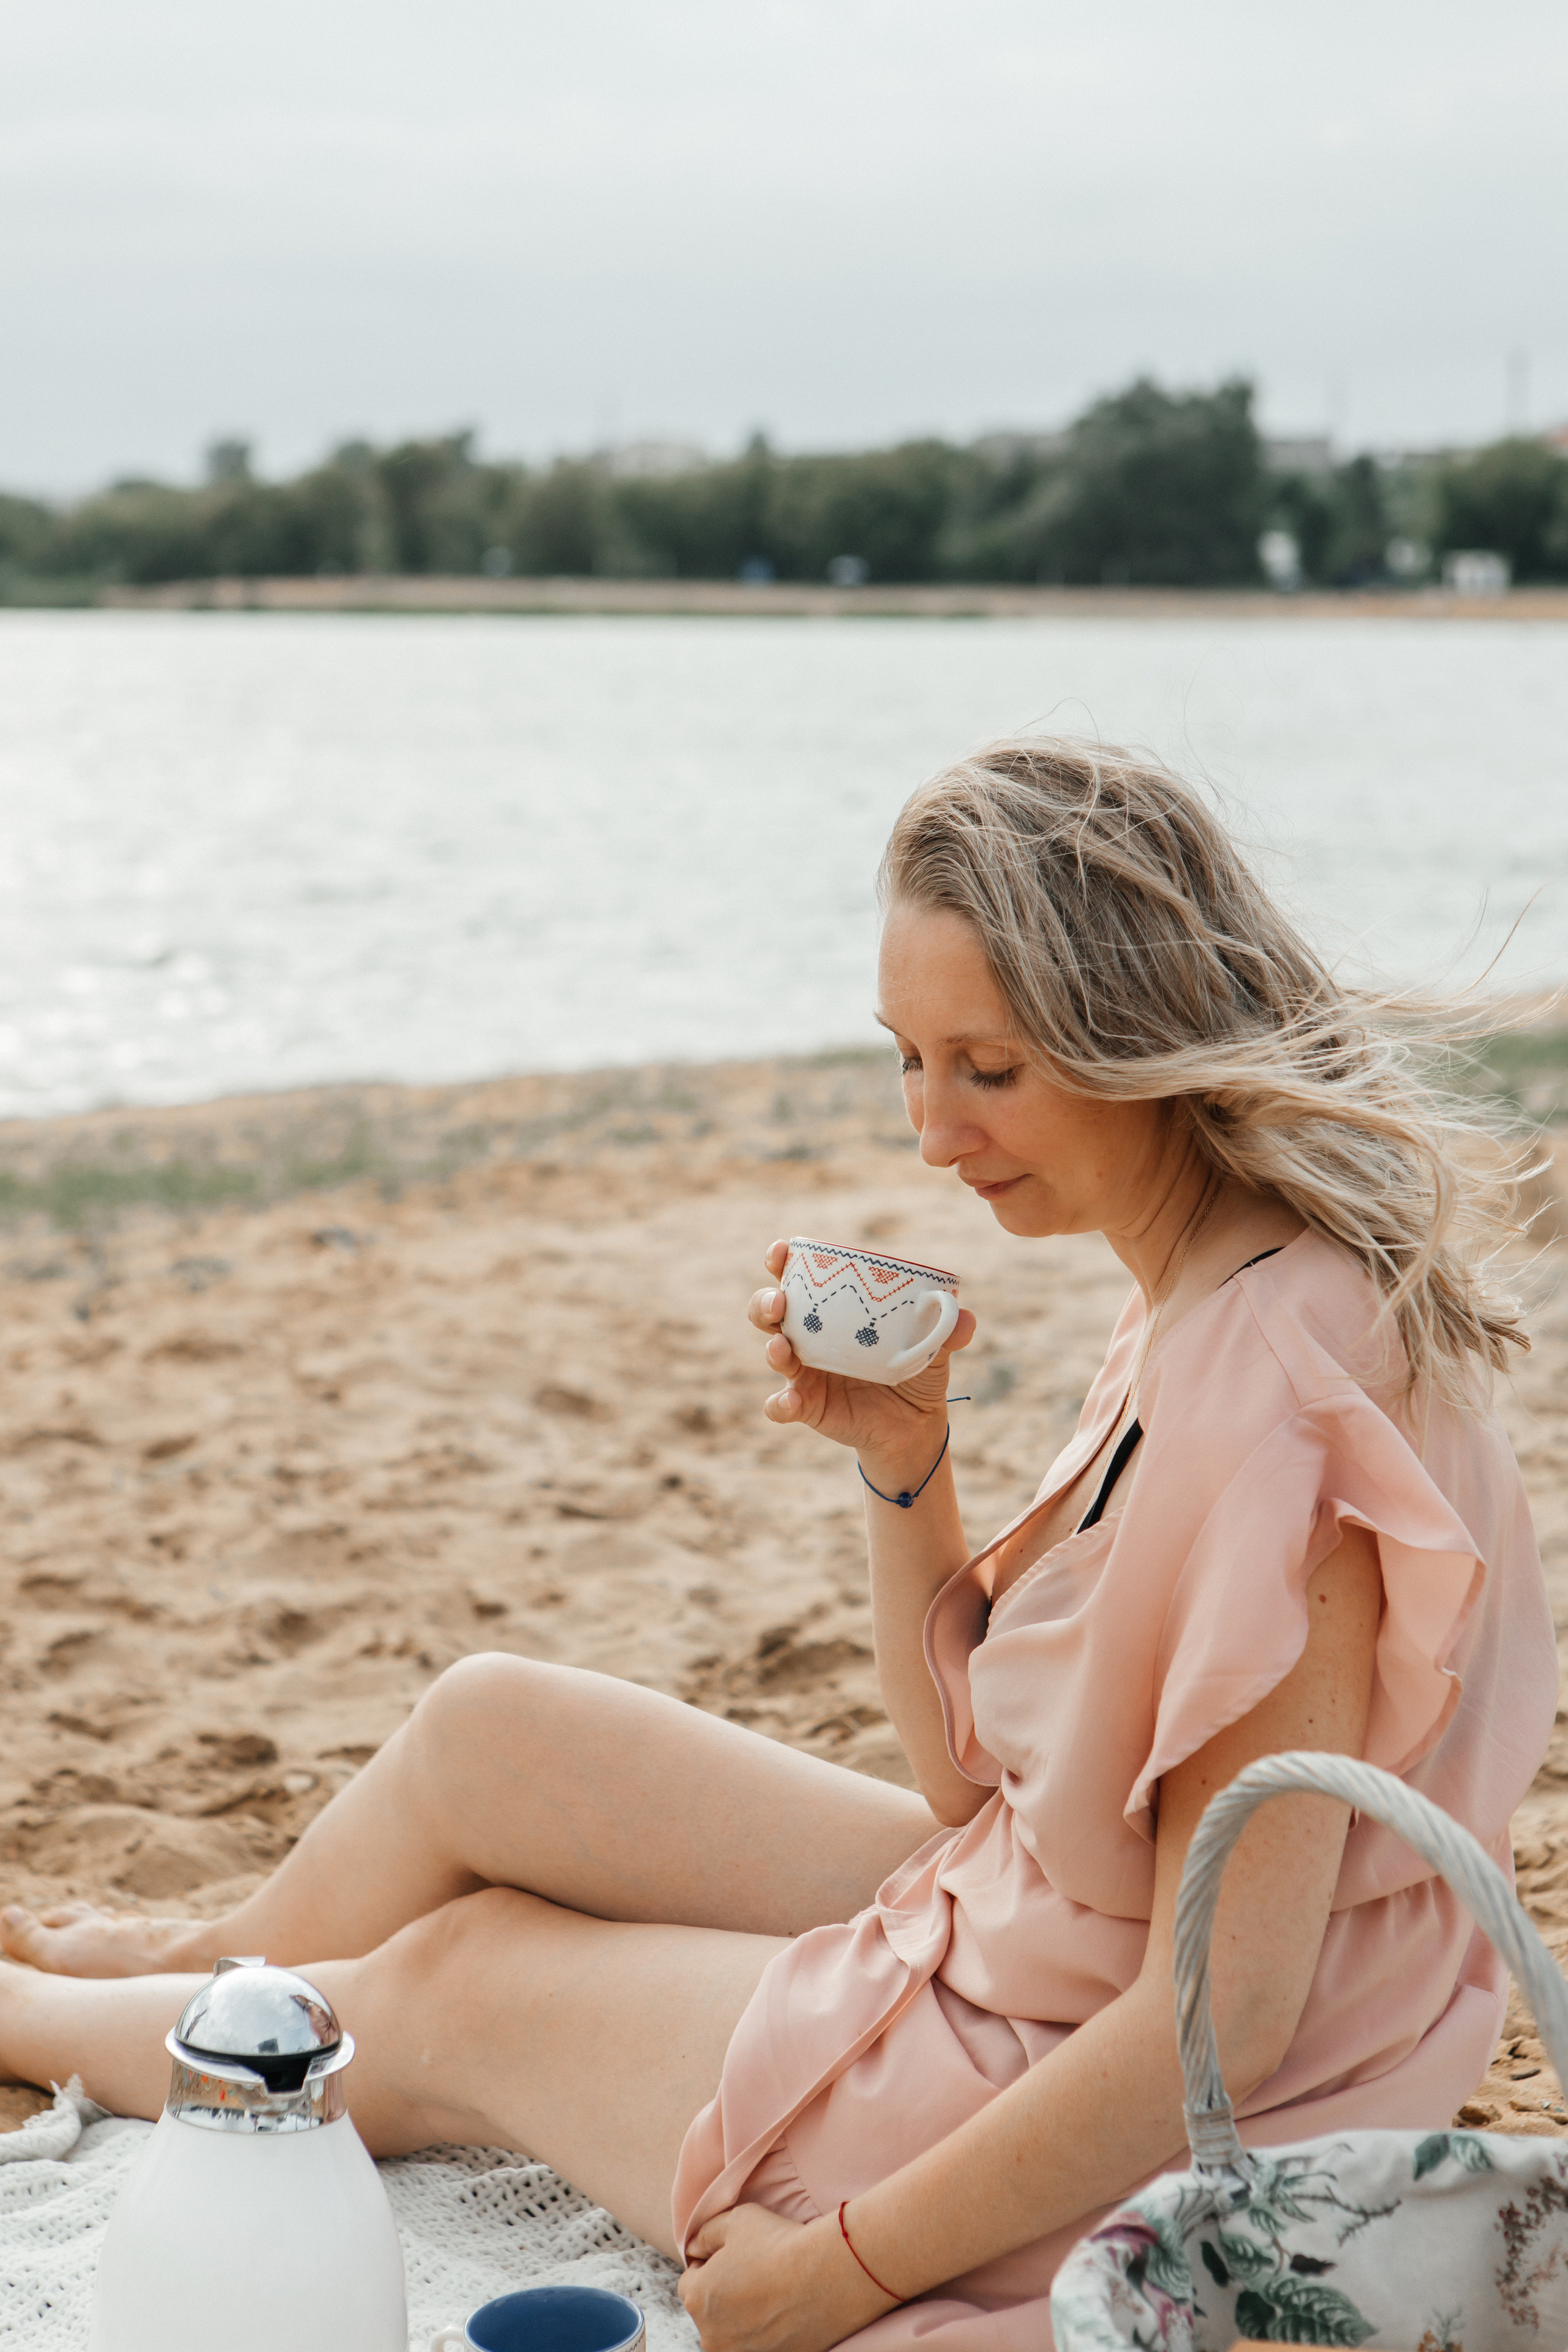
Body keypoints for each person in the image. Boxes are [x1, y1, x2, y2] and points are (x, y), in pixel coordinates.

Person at [0, 740, 1555, 2352]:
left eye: (988, 1069)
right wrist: (906, 1463)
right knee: (490, 1730)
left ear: (1140, 1032)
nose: (933, 1132)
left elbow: (1222, 2016)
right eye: (908, 1060)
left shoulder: (1275, 1401)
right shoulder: (1208, 1278)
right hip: (1045, 1921)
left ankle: (37, 2018)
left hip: (1129, 2091)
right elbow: (973, 1785)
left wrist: (848, 2268)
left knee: (463, 1978)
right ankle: (204, 1959)